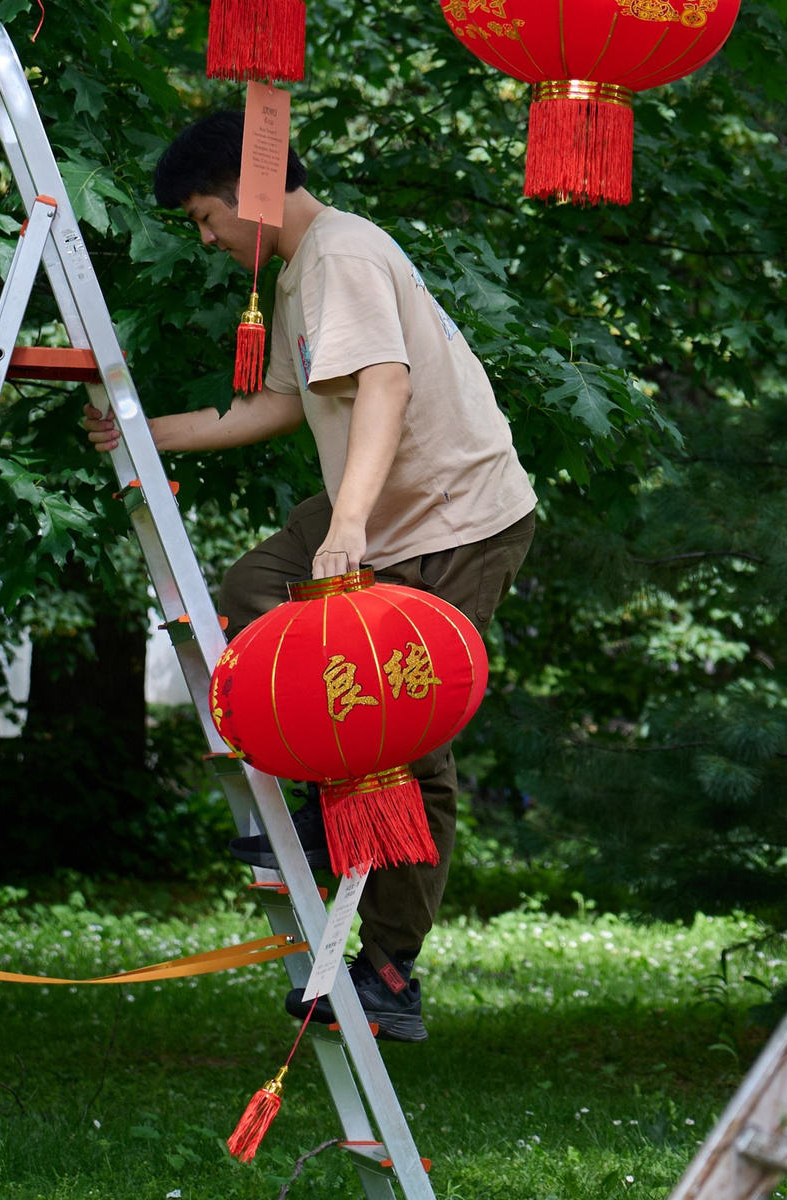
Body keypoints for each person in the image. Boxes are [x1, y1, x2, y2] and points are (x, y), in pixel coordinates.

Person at [82, 111, 537, 1041]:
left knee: (402, 737)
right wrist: (149, 431)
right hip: (376, 517)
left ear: (248, 193)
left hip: (452, 519)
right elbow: (288, 403)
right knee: (254, 591)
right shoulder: (299, 274)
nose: (206, 240)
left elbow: (385, 386)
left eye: (206, 217)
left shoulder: (342, 255)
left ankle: (390, 971)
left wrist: (353, 527)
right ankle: (325, 807)